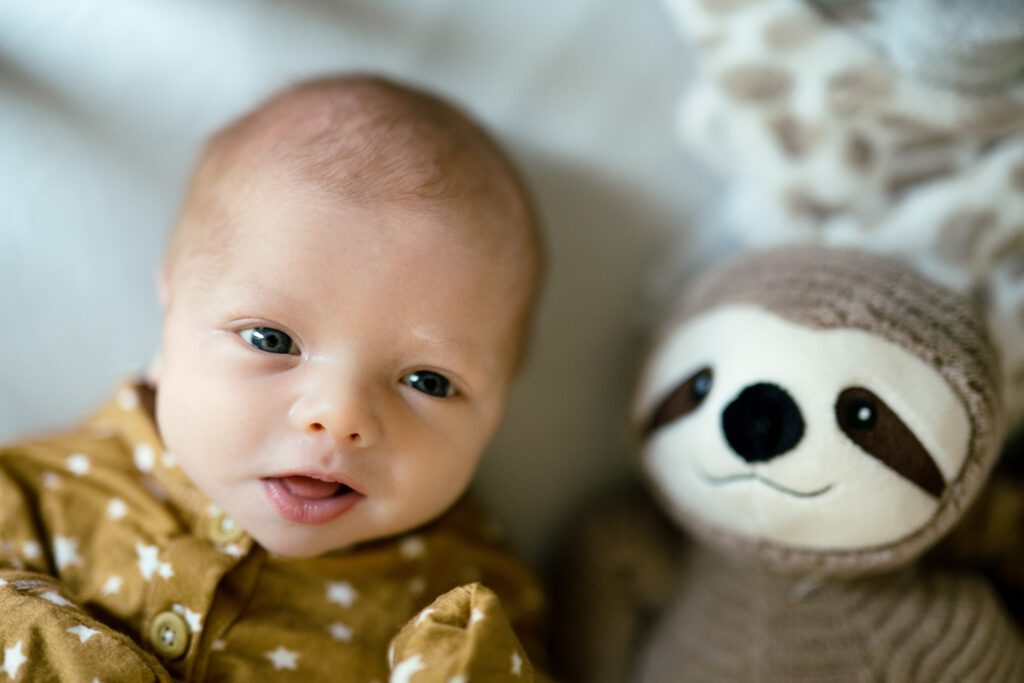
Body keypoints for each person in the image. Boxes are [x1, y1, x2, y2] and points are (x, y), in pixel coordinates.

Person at [0, 74, 548, 681]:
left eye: (428, 382)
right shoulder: (32, 495)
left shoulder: (473, 598)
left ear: (501, 399)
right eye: (271, 341)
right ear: (173, 304)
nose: (339, 417)